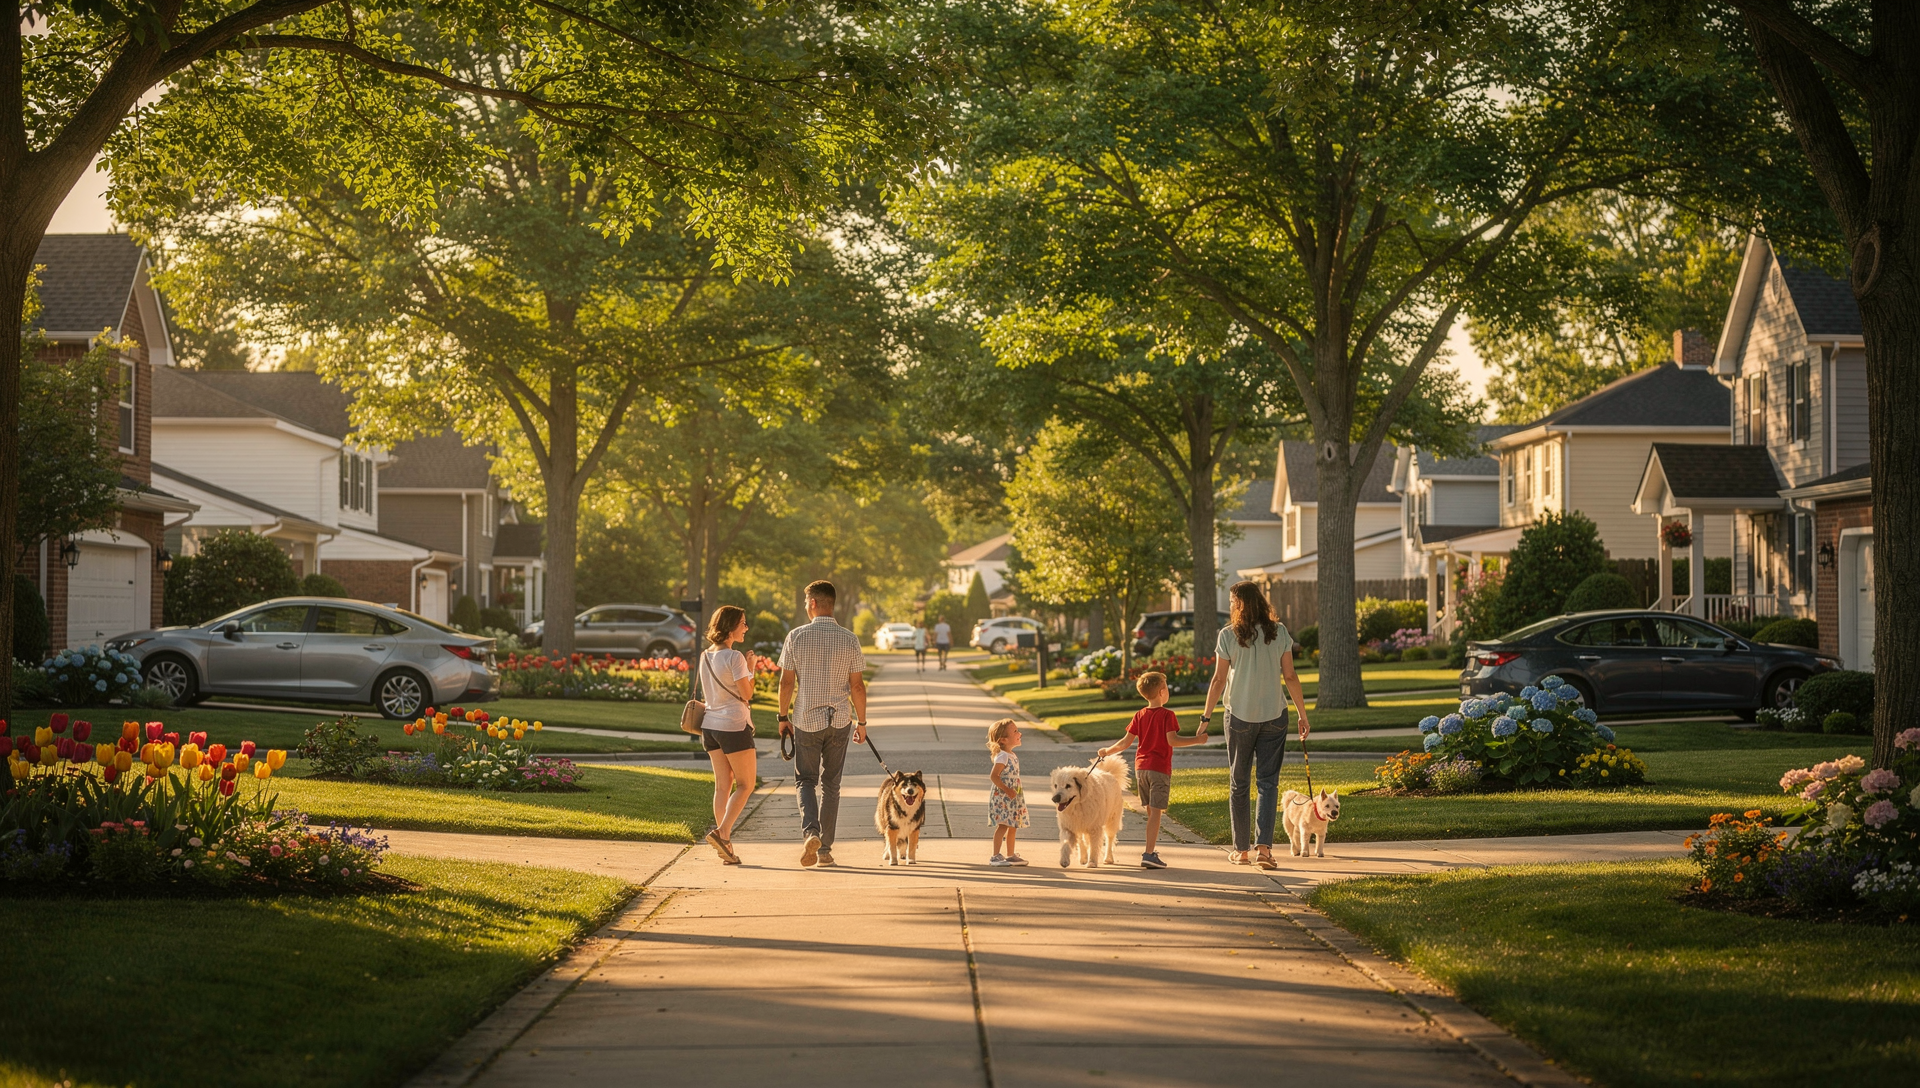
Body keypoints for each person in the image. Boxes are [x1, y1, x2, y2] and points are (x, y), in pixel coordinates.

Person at [1199, 581, 1310, 870]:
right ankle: (1264, 850)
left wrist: (1205, 717)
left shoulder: (1228, 635)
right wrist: (1302, 714)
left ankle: (1241, 851)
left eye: (1232, 601)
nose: (1232, 605)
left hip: (1239, 717)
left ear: (1238, 604)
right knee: (1268, 783)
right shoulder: (1280, 632)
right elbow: (1291, 677)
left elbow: (1218, 681)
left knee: (1239, 783)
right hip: (1275, 715)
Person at [778, 580, 868, 868]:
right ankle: (825, 850)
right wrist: (862, 723)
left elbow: (787, 682)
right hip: (840, 719)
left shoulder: (796, 637)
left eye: (806, 602)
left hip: (806, 719)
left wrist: (783, 717)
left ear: (814, 603)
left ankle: (811, 832)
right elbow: (858, 686)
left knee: (805, 779)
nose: (805, 607)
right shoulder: (850, 639)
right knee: (832, 784)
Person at [1099, 671, 1208, 868]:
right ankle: (1149, 854)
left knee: (1151, 811)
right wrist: (1197, 740)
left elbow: (1125, 742)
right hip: (1159, 768)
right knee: (1156, 813)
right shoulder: (1168, 715)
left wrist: (1107, 751)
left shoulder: (1139, 715)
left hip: (1141, 768)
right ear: (1161, 691)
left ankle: (1151, 850)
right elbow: (1172, 740)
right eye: (1166, 687)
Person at [698, 604, 757, 865]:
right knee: (746, 785)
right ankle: (723, 834)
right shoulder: (735, 657)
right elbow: (746, 694)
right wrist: (751, 668)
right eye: (743, 623)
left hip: (710, 727)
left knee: (723, 785)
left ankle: (726, 847)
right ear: (731, 627)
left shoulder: (705, 655)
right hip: (733, 726)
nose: (746, 627)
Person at [986, 718, 1030, 866]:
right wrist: (1007, 790)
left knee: (1013, 825)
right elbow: (994, 776)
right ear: (1003, 739)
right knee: (1003, 825)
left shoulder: (1011, 755)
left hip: (1012, 796)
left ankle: (1010, 854)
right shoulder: (1003, 756)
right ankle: (995, 856)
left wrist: (1015, 793)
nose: (1020, 734)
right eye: (1015, 731)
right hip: (1003, 796)